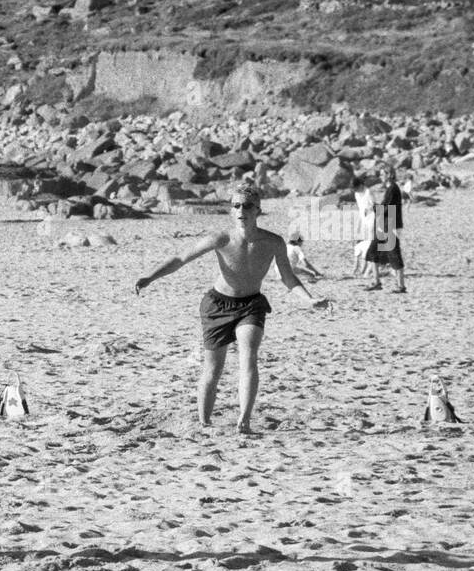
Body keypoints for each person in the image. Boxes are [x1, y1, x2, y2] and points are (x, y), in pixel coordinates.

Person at [134, 180, 330, 434]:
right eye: (236, 205)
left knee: (248, 355)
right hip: (217, 305)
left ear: (258, 210)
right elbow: (181, 258)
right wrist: (150, 277)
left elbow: (288, 278)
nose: (241, 210)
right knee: (213, 368)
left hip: (251, 305)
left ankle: (244, 420)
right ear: (231, 210)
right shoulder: (221, 238)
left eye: (247, 206)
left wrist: (310, 299)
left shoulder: (273, 242)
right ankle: (205, 423)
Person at [368, 164, 407, 293]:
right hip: (384, 225)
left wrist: (374, 207)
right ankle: (377, 281)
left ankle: (400, 286)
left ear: (389, 175)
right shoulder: (391, 189)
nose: (380, 177)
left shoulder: (393, 189)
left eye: (382, 174)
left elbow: (388, 208)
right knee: (373, 253)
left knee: (394, 255)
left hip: (389, 226)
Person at [352, 179, 375, 278]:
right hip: (363, 219)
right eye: (355, 189)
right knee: (364, 243)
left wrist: (368, 209)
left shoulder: (368, 192)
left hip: (372, 218)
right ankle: (366, 267)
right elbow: (360, 208)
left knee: (371, 241)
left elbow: (374, 205)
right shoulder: (357, 194)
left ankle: (370, 267)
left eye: (357, 188)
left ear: (361, 185)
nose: (356, 190)